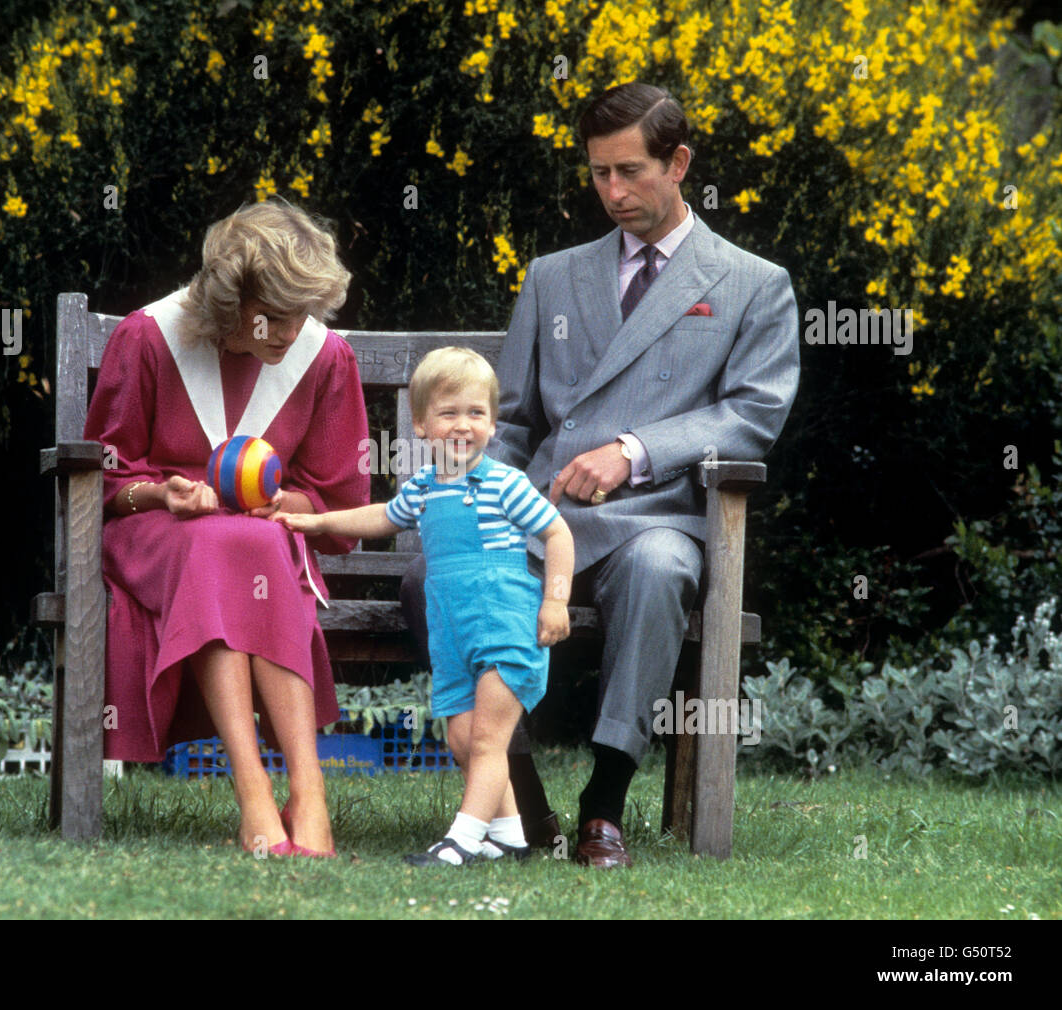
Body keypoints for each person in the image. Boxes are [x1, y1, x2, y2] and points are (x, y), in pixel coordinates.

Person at [401, 82, 800, 867]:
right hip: (538, 513)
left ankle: (604, 802)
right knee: (427, 577)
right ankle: (521, 806)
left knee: (657, 571)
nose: (613, 193)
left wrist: (633, 450)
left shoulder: (755, 283)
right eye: (598, 175)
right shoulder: (554, 276)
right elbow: (510, 421)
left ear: (679, 162)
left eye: (631, 171)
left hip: (658, 518)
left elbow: (753, 413)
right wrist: (477, 499)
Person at [83, 198, 369, 858]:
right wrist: (161, 492)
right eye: (271, 314)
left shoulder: (324, 358)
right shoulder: (150, 337)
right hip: (156, 530)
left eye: (303, 314)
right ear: (225, 301)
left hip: (262, 540)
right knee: (226, 545)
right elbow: (104, 478)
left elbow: (336, 500)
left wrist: (281, 501)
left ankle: (308, 791)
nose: (289, 333)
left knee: (251, 540)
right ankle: (255, 796)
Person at [275, 347, 575, 866]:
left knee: (486, 738)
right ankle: (508, 836)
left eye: (476, 414)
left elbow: (557, 532)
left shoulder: (504, 484)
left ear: (492, 422)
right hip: (452, 632)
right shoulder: (424, 488)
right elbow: (380, 518)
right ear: (420, 424)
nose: (463, 426)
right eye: (448, 413)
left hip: (505, 625)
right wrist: (319, 523)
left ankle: (460, 841)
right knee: (462, 737)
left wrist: (555, 601)